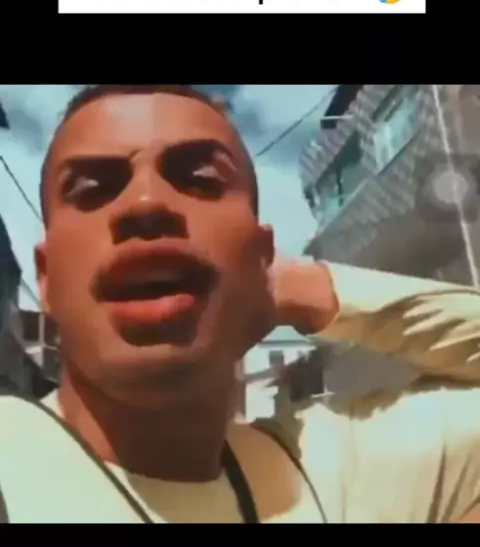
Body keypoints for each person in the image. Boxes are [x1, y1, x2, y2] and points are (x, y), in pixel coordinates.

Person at [1, 83, 480, 524]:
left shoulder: (333, 473)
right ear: (46, 278)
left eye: (199, 179)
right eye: (93, 189)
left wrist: (309, 290)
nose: (145, 203)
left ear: (262, 259)